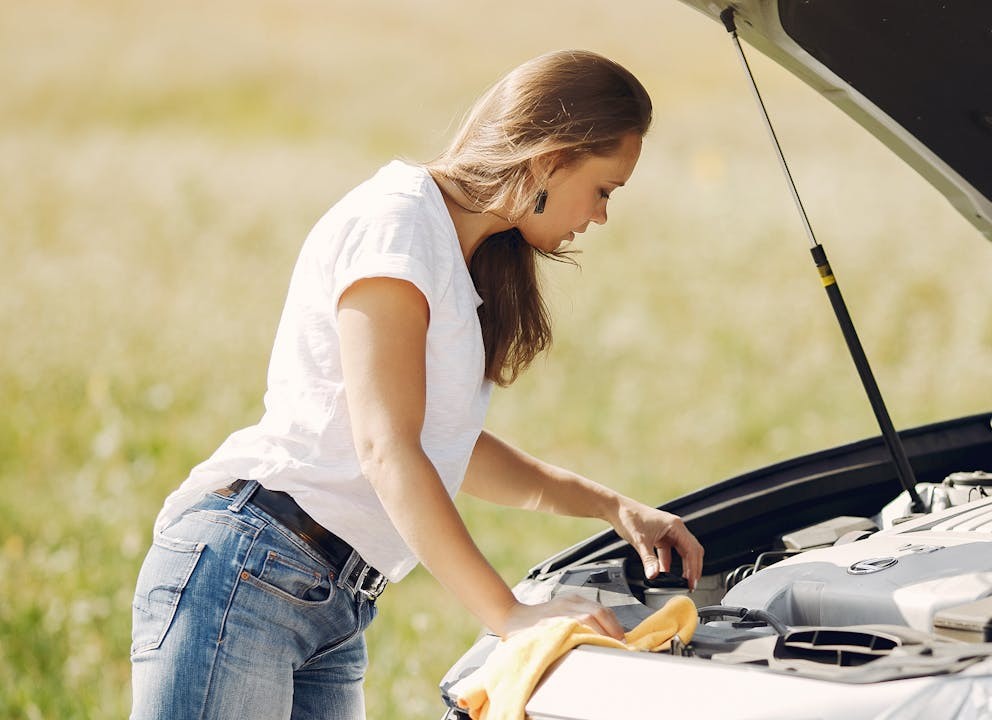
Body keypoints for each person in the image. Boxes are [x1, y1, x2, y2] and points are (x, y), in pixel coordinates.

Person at [129, 49, 704, 719]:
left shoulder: (462, 257)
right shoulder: (397, 225)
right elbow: (387, 449)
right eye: (605, 189)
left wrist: (612, 507)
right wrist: (510, 615)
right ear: (552, 157)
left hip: (330, 603)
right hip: (249, 572)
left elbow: (446, 448)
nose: (602, 215)